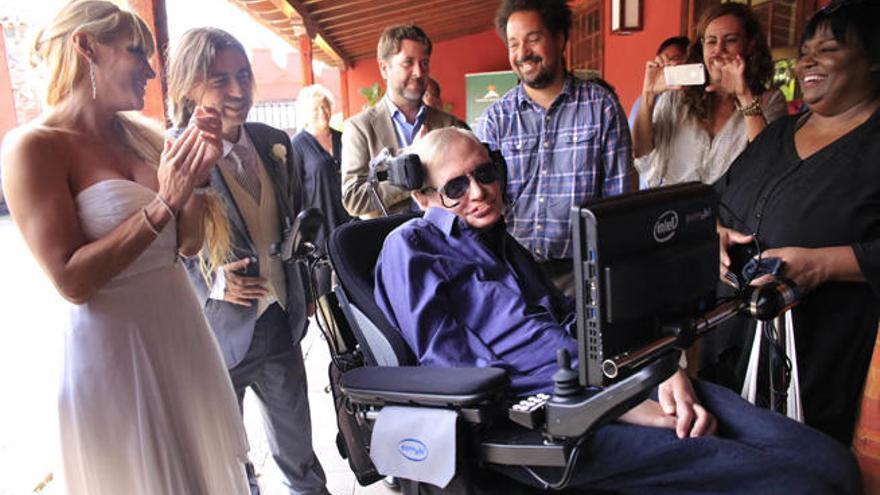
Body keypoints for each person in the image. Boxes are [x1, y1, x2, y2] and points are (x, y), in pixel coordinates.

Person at [373, 127, 860, 494]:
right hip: (549, 422)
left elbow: (573, 322)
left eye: (484, 174)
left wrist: (657, 367)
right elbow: (459, 373)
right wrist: (621, 404)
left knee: (831, 463)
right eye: (455, 187)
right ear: (423, 197)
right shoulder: (409, 247)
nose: (478, 192)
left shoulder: (500, 240)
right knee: (799, 485)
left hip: (615, 380)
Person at [0, 2, 249, 493]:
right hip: (115, 353)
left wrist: (196, 181)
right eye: (137, 52)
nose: (152, 71)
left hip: (180, 334)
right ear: (86, 47)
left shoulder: (146, 137)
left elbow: (189, 245)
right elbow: (71, 280)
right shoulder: (34, 147)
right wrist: (161, 204)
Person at [166, 28, 328, 495]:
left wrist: (305, 289)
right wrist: (213, 283)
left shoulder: (275, 141)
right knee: (229, 463)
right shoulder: (173, 152)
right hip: (217, 335)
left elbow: (293, 222)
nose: (238, 91)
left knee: (299, 456)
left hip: (279, 322)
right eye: (220, 80)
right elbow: (164, 246)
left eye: (243, 76)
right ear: (189, 85)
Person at [715, 0, 880, 445]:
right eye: (805, 50)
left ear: (873, 60)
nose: (806, 60)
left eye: (827, 49)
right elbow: (715, 201)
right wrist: (712, 234)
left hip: (821, 358)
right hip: (733, 347)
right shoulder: (777, 134)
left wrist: (823, 264)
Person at [476, 0, 637, 296]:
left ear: (560, 38)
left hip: (582, 275)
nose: (522, 53)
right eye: (513, 44)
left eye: (533, 39)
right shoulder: (495, 120)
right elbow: (484, 206)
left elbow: (621, 201)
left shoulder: (601, 107)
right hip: (515, 276)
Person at [632, 3, 787, 189]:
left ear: (750, 45)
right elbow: (641, 152)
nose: (718, 50)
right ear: (702, 47)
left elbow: (767, 165)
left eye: (730, 40)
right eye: (711, 41)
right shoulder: (678, 96)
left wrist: (744, 95)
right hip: (673, 211)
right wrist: (648, 94)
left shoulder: (769, 100)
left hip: (732, 216)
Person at [341, 24, 466, 219]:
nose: (418, 72)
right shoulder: (360, 128)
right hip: (387, 242)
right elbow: (353, 199)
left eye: (424, 63)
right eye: (408, 63)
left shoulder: (449, 124)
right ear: (384, 68)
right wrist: (410, 169)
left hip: (446, 240)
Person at [291, 84, 351, 296]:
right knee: (323, 291)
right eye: (316, 108)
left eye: (325, 106)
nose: (322, 112)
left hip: (348, 219)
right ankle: (329, 328)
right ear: (306, 114)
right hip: (320, 228)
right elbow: (294, 191)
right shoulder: (297, 145)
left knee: (351, 281)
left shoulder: (343, 137)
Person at [627, 36, 689, 131]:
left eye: (674, 59)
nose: (667, 64)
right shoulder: (644, 100)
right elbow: (635, 142)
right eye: (663, 60)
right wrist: (649, 93)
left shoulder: (698, 97)